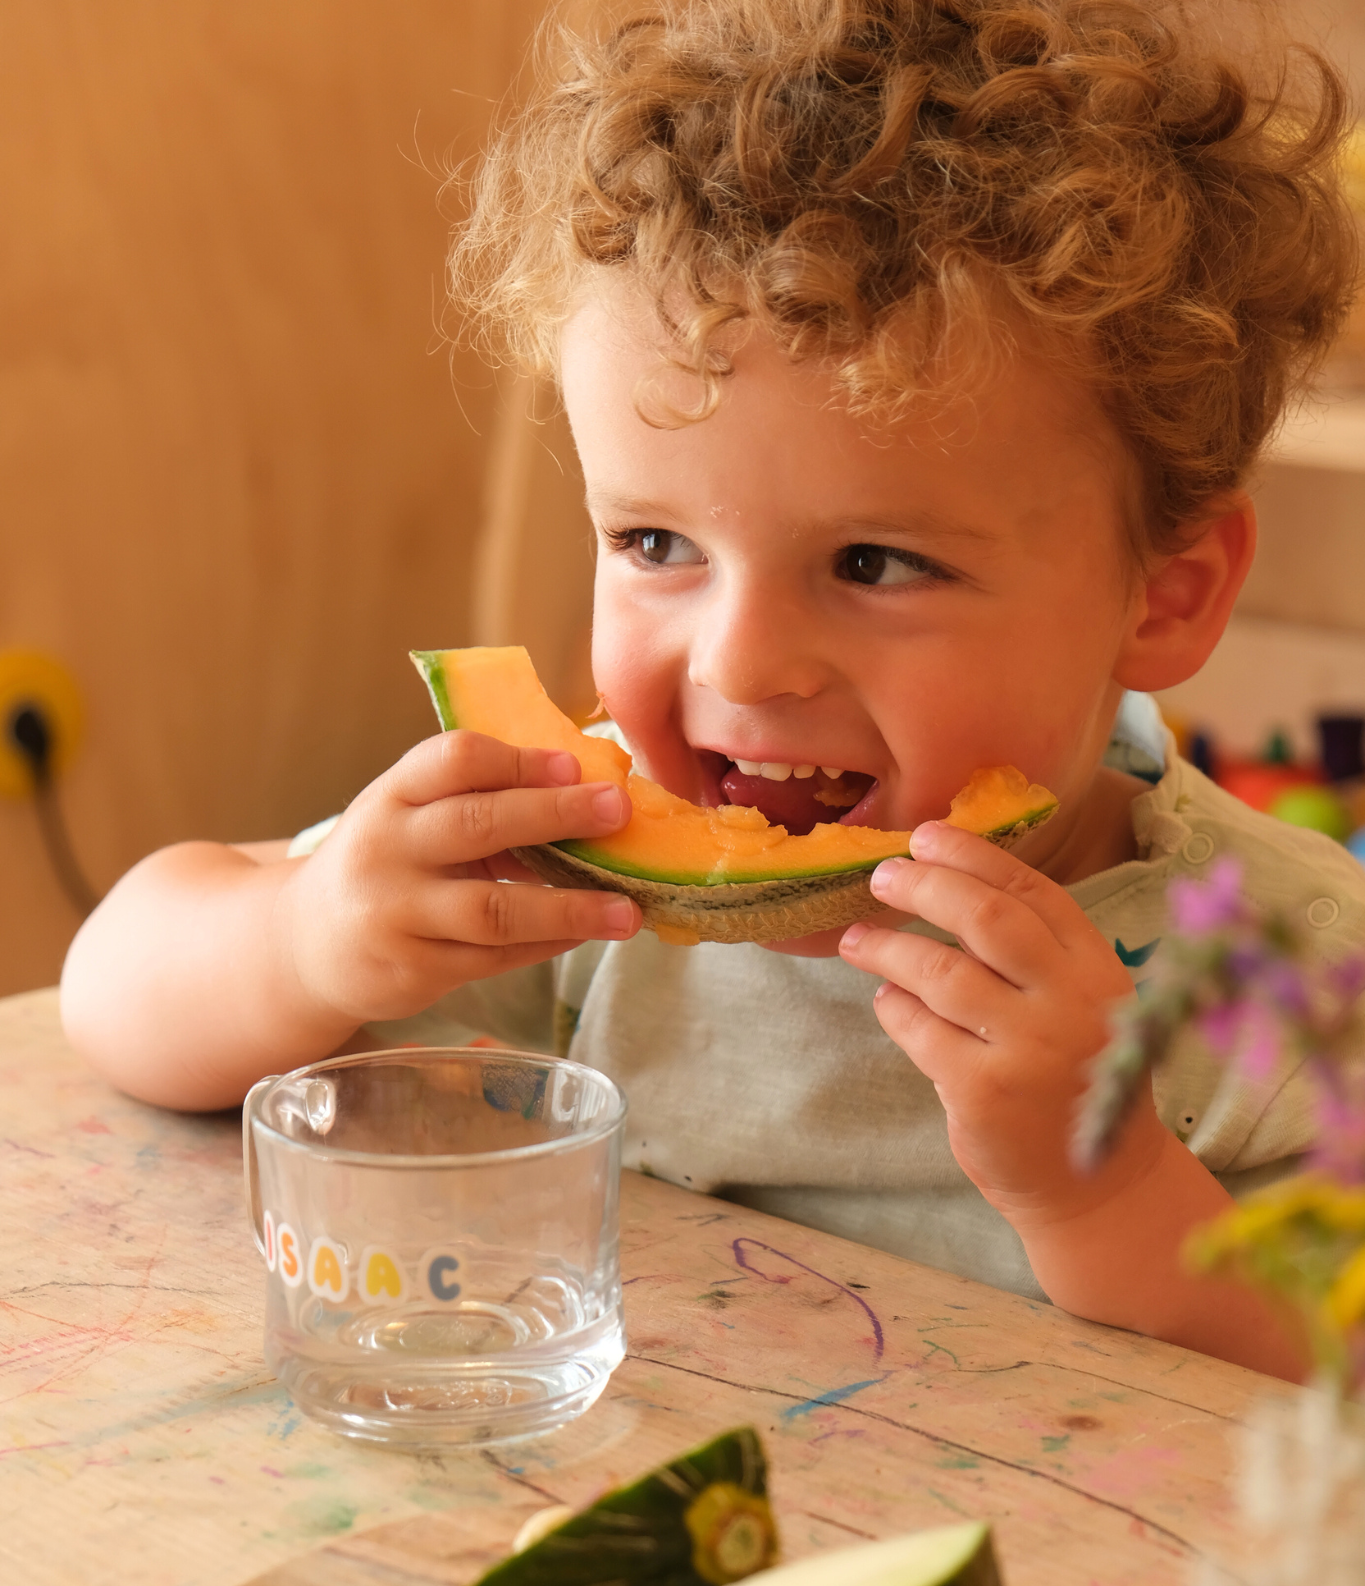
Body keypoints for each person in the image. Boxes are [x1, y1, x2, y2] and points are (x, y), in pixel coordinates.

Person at [62, 0, 1363, 1377]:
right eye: (655, 544)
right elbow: (115, 991)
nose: (740, 664)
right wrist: (305, 938)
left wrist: (1104, 1193)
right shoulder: (574, 891)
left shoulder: (1288, 983)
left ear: (1164, 594)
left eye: (876, 561)